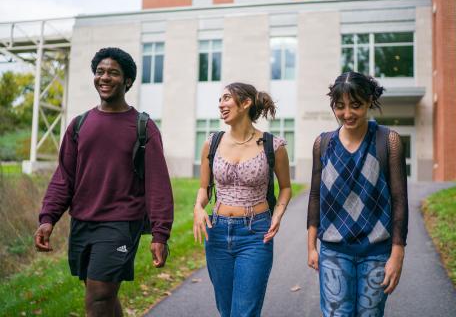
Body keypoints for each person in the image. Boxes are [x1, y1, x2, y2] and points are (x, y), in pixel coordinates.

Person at [34, 47, 174, 317]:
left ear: (128, 81)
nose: (104, 77)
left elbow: (157, 184)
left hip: (121, 223)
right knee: (103, 295)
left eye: (113, 72)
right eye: (100, 72)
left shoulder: (142, 126)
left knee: (98, 296)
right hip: (83, 222)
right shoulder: (79, 124)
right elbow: (64, 176)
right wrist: (48, 217)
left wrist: (160, 233)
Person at [307, 71, 408, 316]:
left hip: (376, 252)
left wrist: (397, 254)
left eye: (356, 105)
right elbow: (315, 196)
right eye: (340, 106)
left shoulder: (388, 140)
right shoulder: (323, 143)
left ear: (369, 102)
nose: (347, 113)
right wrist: (311, 245)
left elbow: (399, 201)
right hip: (333, 251)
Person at [193, 82, 292, 317]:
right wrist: (198, 207)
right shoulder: (212, 142)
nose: (221, 104)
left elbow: (286, 187)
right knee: (226, 311)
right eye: (220, 99)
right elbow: (203, 188)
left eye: (227, 98)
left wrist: (276, 216)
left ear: (246, 103)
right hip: (217, 233)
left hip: (255, 234)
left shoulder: (273, 145)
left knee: (244, 313)